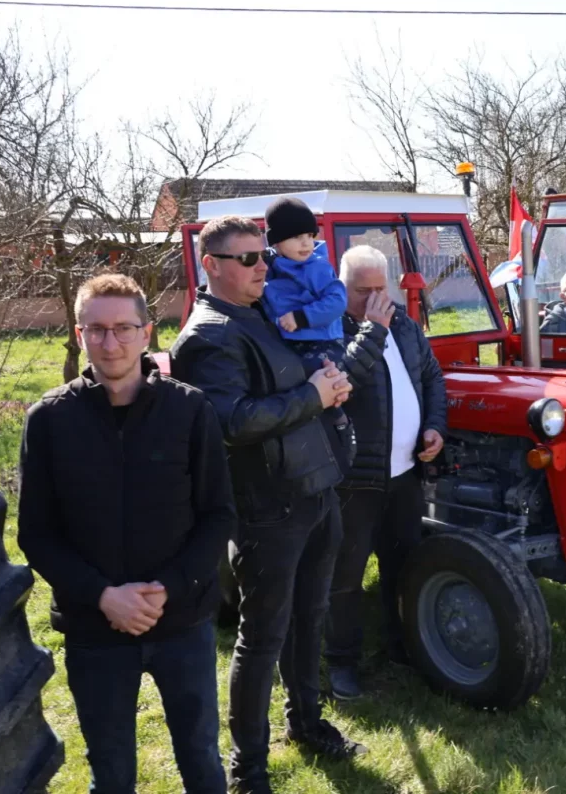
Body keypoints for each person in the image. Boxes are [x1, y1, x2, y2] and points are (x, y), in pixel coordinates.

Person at [170, 215, 365, 793]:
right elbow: (231, 421)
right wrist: (313, 394)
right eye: (250, 259)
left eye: (265, 256)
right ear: (212, 266)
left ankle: (306, 725)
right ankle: (248, 768)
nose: (265, 267)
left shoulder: (257, 313)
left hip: (313, 490)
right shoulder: (208, 337)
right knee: (262, 638)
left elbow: (288, 383)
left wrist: (326, 378)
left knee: (311, 618)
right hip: (266, 510)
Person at [18, 274, 233, 794]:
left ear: (147, 332)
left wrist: (169, 588)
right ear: (79, 332)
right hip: (96, 629)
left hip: (182, 621)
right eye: (96, 330)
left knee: (201, 758)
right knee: (111, 769)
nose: (109, 343)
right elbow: (36, 533)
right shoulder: (49, 420)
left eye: (122, 328)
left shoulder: (189, 409)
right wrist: (103, 596)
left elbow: (220, 514)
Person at [324, 245, 448, 701]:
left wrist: (435, 426)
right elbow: (342, 383)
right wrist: (371, 329)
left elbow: (432, 378)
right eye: (364, 291)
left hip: (405, 475)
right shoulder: (330, 330)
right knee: (346, 576)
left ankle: (403, 646)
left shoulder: (406, 326)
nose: (376, 300)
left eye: (382, 289)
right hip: (355, 479)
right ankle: (341, 663)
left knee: (403, 566)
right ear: (343, 289)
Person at [260, 196, 353, 465]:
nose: (305, 243)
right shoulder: (272, 267)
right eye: (296, 237)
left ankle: (339, 424)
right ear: (276, 242)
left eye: (310, 235)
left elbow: (337, 301)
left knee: (317, 381)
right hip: (291, 341)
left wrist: (302, 317)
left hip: (320, 342)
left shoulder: (316, 267)